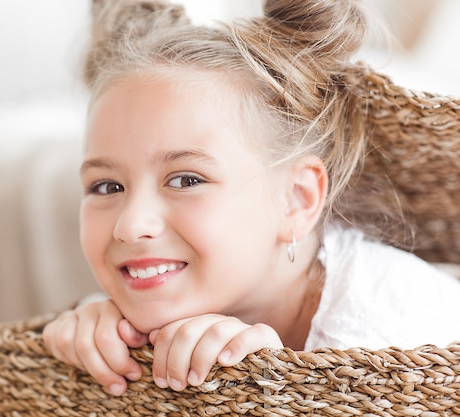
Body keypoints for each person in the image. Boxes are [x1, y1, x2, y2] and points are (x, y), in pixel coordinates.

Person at [42, 0, 460, 397]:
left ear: (295, 200)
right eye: (106, 186)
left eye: (186, 180)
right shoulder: (196, 283)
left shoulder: (390, 332)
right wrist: (99, 324)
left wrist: (280, 391)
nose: (131, 225)